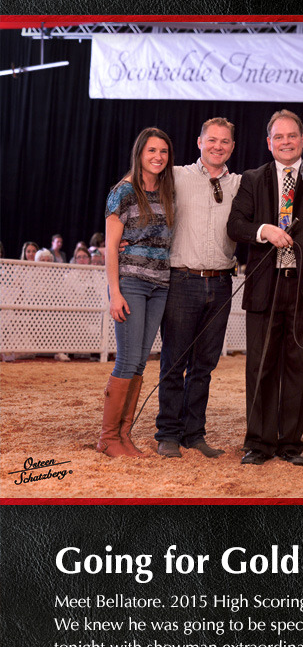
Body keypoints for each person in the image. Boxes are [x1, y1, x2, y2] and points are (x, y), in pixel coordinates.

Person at [227, 109, 303, 466]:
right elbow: (235, 225)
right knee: (260, 367)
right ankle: (258, 443)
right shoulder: (252, 179)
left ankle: (291, 443)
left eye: (292, 136)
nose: (285, 142)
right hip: (264, 287)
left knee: (300, 368)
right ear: (269, 143)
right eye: (278, 137)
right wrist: (263, 230)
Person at [154, 117, 241, 459]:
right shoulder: (175, 176)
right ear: (199, 142)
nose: (218, 146)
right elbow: (137, 188)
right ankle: (167, 434)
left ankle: (194, 434)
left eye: (225, 141)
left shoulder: (240, 184)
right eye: (212, 140)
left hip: (221, 283)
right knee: (174, 363)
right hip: (182, 280)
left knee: (204, 367)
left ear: (232, 147)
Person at [97, 127, 175, 458]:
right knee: (128, 359)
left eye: (163, 151)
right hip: (131, 282)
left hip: (160, 285)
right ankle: (107, 437)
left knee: (141, 360)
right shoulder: (124, 191)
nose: (158, 157)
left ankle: (123, 435)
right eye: (151, 151)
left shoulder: (168, 191)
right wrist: (114, 293)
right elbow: (111, 247)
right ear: (139, 153)